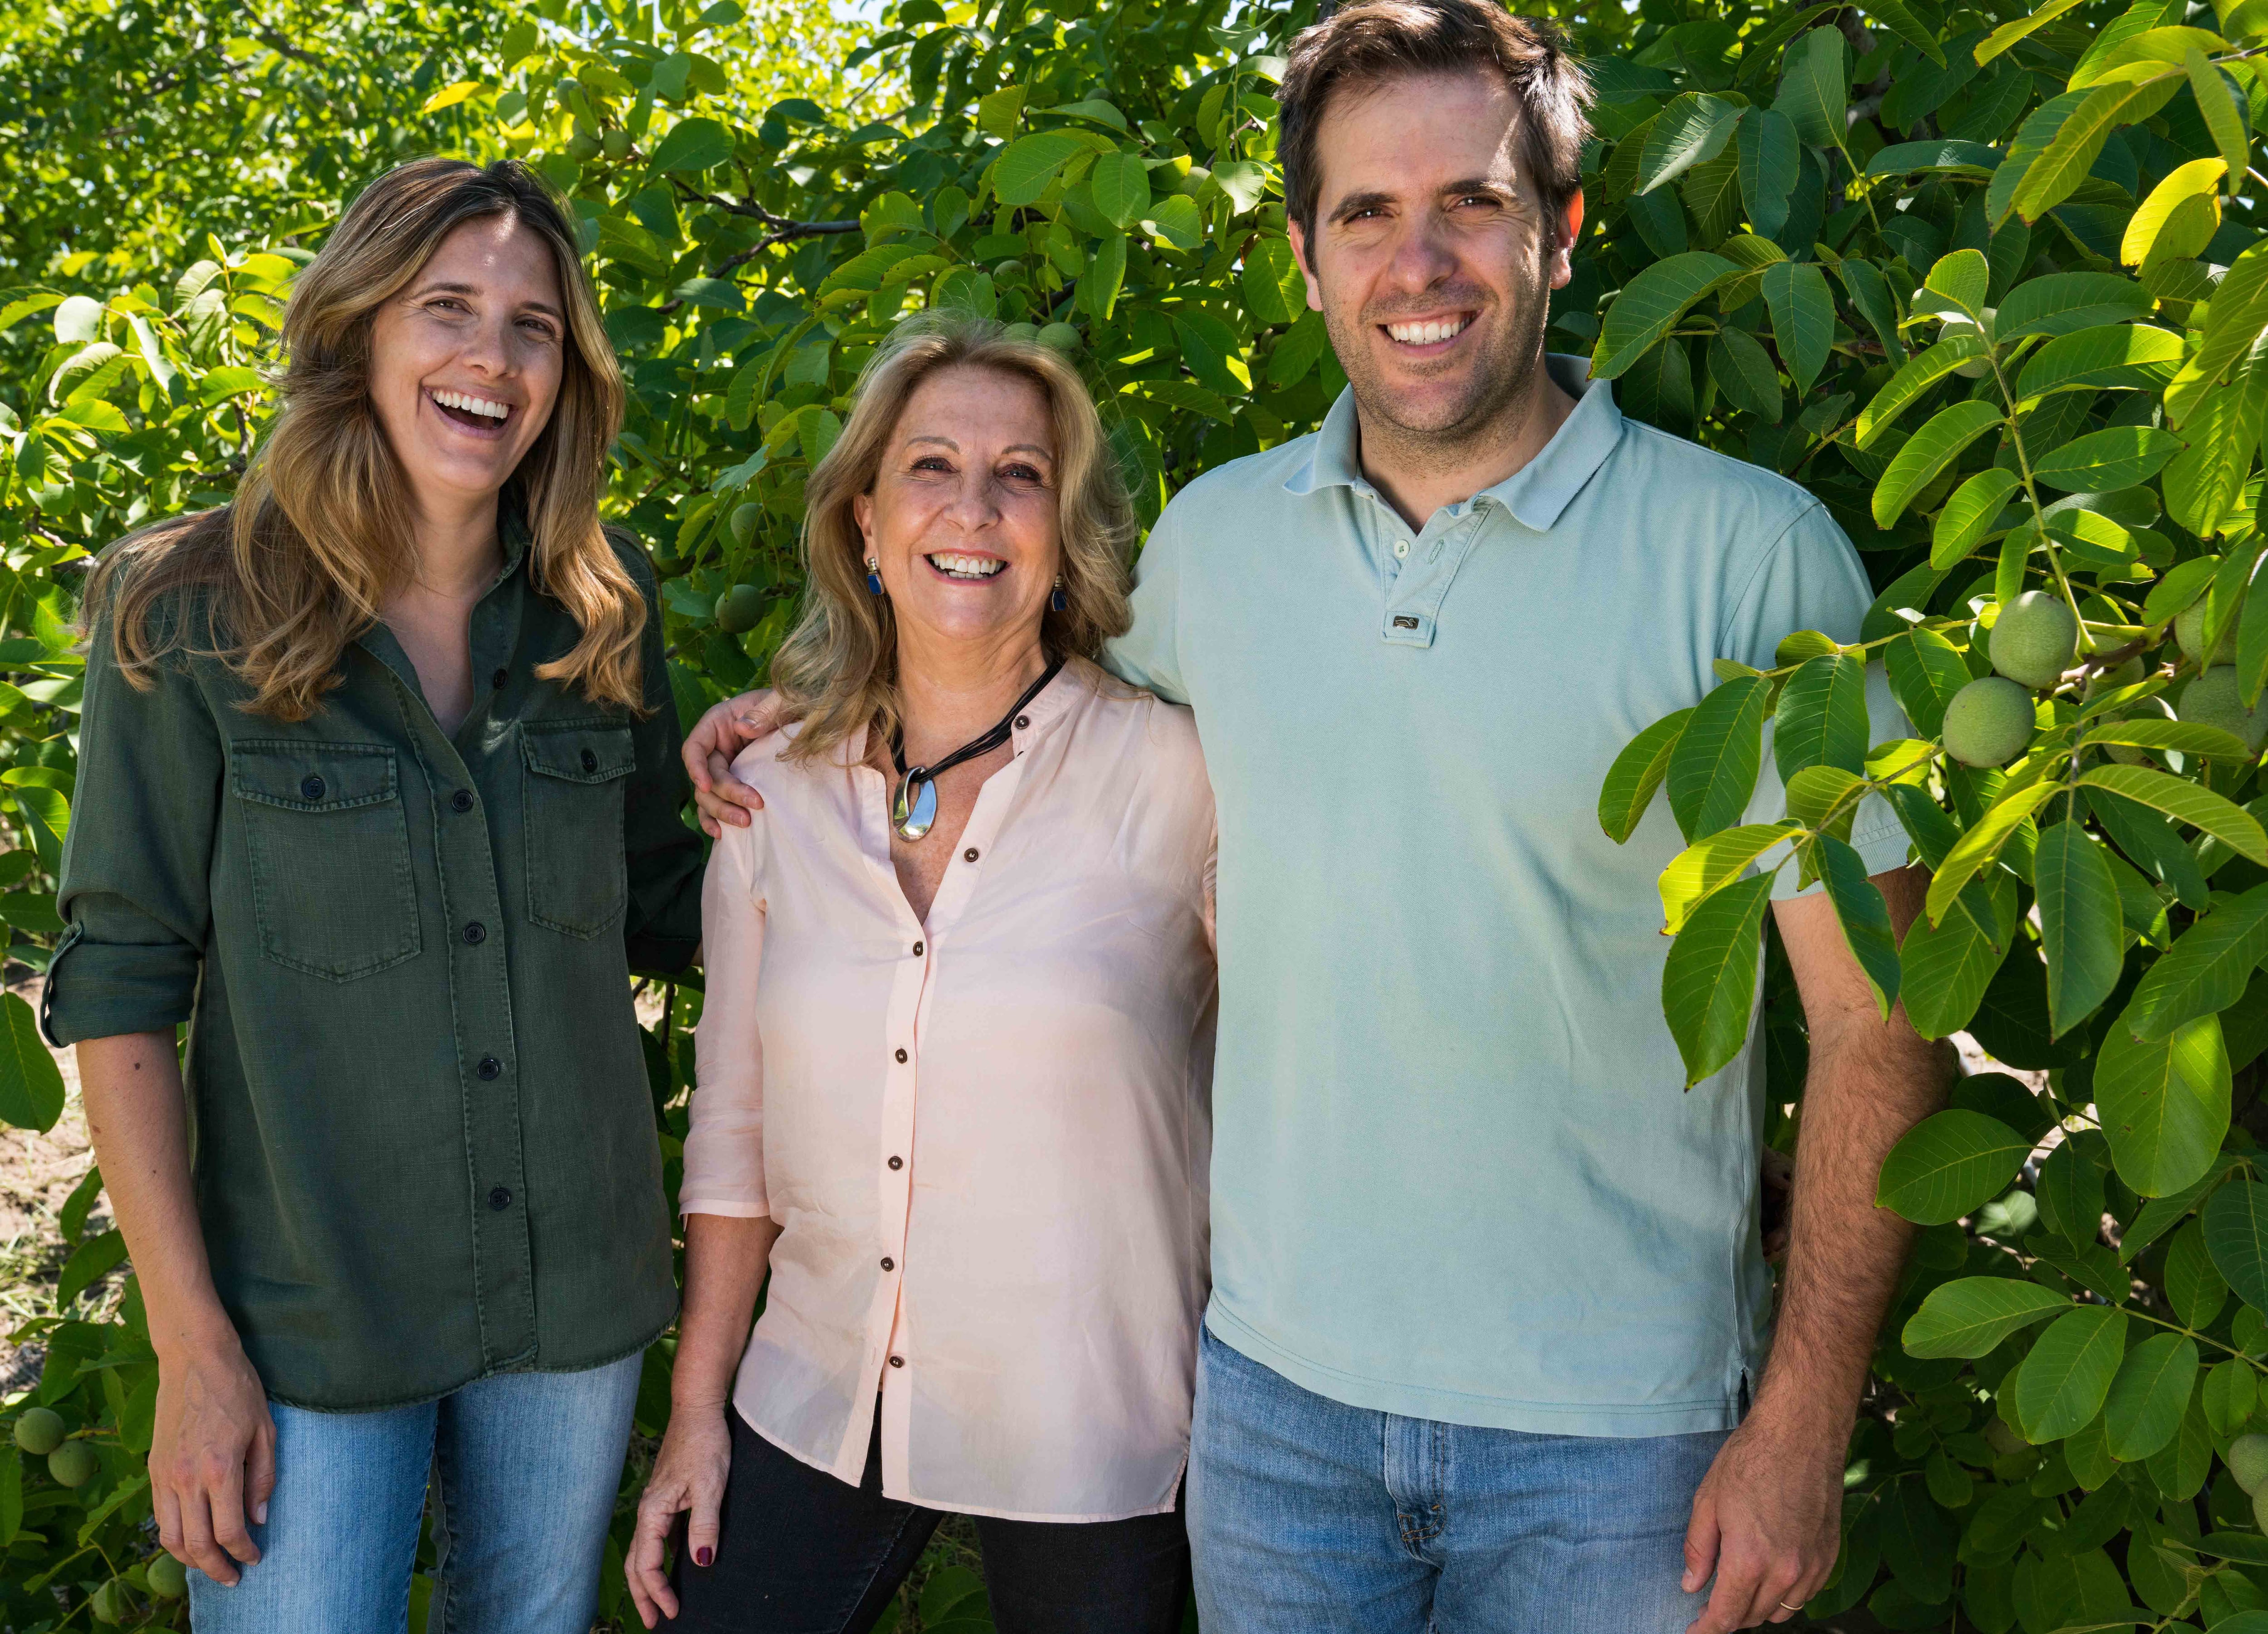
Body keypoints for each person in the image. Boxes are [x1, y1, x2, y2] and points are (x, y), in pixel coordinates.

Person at [683, 5, 1955, 1631]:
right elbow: (1001, 674)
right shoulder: (1218, 553)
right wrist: (811, 716)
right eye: (1367, 212)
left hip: (1613, 1445)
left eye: (1472, 205)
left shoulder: (1749, 560)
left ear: (1561, 231)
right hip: (1277, 1419)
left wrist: (1802, 1423)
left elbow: (1879, 1020)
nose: (1418, 262)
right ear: (1305, 253)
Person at [46, 157, 705, 1633]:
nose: (492, 358)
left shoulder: (606, 612)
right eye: (448, 309)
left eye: (534, 326)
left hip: (571, 1304)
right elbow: (119, 983)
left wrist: (842, 787)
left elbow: (679, 897)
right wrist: (191, 1344)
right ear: (358, 333)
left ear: (567, 372)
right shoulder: (187, 616)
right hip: (303, 1321)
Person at [625, 316, 1214, 1634]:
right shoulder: (768, 796)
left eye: (1021, 475)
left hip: (1096, 1420)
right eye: (932, 465)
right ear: (865, 521)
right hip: (821, 1381)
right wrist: (695, 1414)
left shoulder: (1178, 774)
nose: (975, 506)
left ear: (1064, 533)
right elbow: (733, 1142)